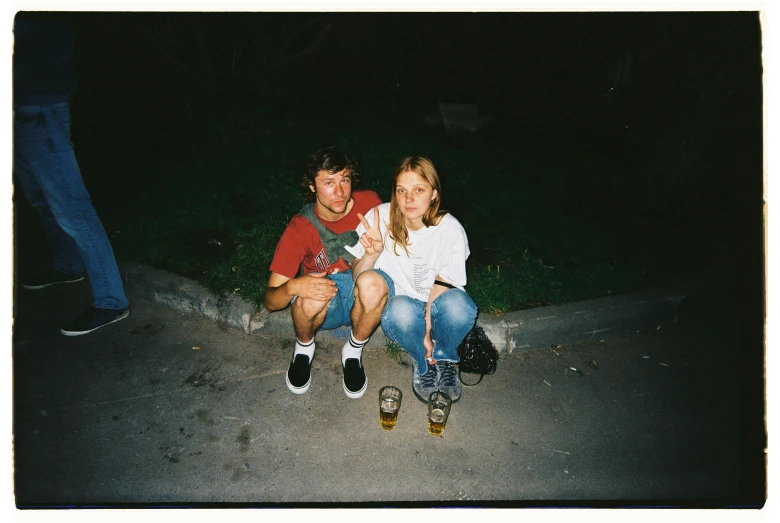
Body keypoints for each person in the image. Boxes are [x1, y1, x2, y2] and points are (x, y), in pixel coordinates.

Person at [13, 12, 130, 336]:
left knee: (72, 207)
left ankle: (111, 301)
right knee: (38, 196)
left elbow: (50, 42)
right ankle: (68, 265)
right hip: (18, 103)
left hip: (38, 103)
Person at [263, 146, 394, 399]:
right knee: (309, 295)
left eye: (344, 180)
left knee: (373, 285)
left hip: (365, 292)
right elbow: (269, 301)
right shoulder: (300, 227)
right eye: (328, 183)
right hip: (328, 300)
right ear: (312, 186)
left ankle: (353, 352)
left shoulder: (371, 203)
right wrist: (293, 287)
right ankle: (304, 349)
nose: (340, 192)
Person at [346, 156, 477, 403]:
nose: (408, 199)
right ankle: (422, 361)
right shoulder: (379, 217)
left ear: (434, 194)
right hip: (402, 306)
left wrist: (427, 328)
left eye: (419, 190)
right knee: (400, 311)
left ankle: (446, 358)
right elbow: (358, 278)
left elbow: (444, 283)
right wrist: (371, 253)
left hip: (438, 302)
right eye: (401, 190)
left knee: (461, 307)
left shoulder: (450, 229)